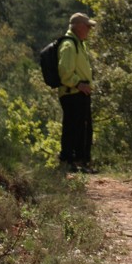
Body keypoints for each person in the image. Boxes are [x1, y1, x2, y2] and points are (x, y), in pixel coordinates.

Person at [58, 12, 97, 173]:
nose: (89, 30)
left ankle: (81, 162)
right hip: (72, 93)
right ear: (79, 27)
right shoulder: (69, 45)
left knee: (83, 128)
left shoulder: (78, 43)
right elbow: (65, 72)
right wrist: (79, 84)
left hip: (80, 93)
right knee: (73, 128)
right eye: (87, 27)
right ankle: (69, 161)